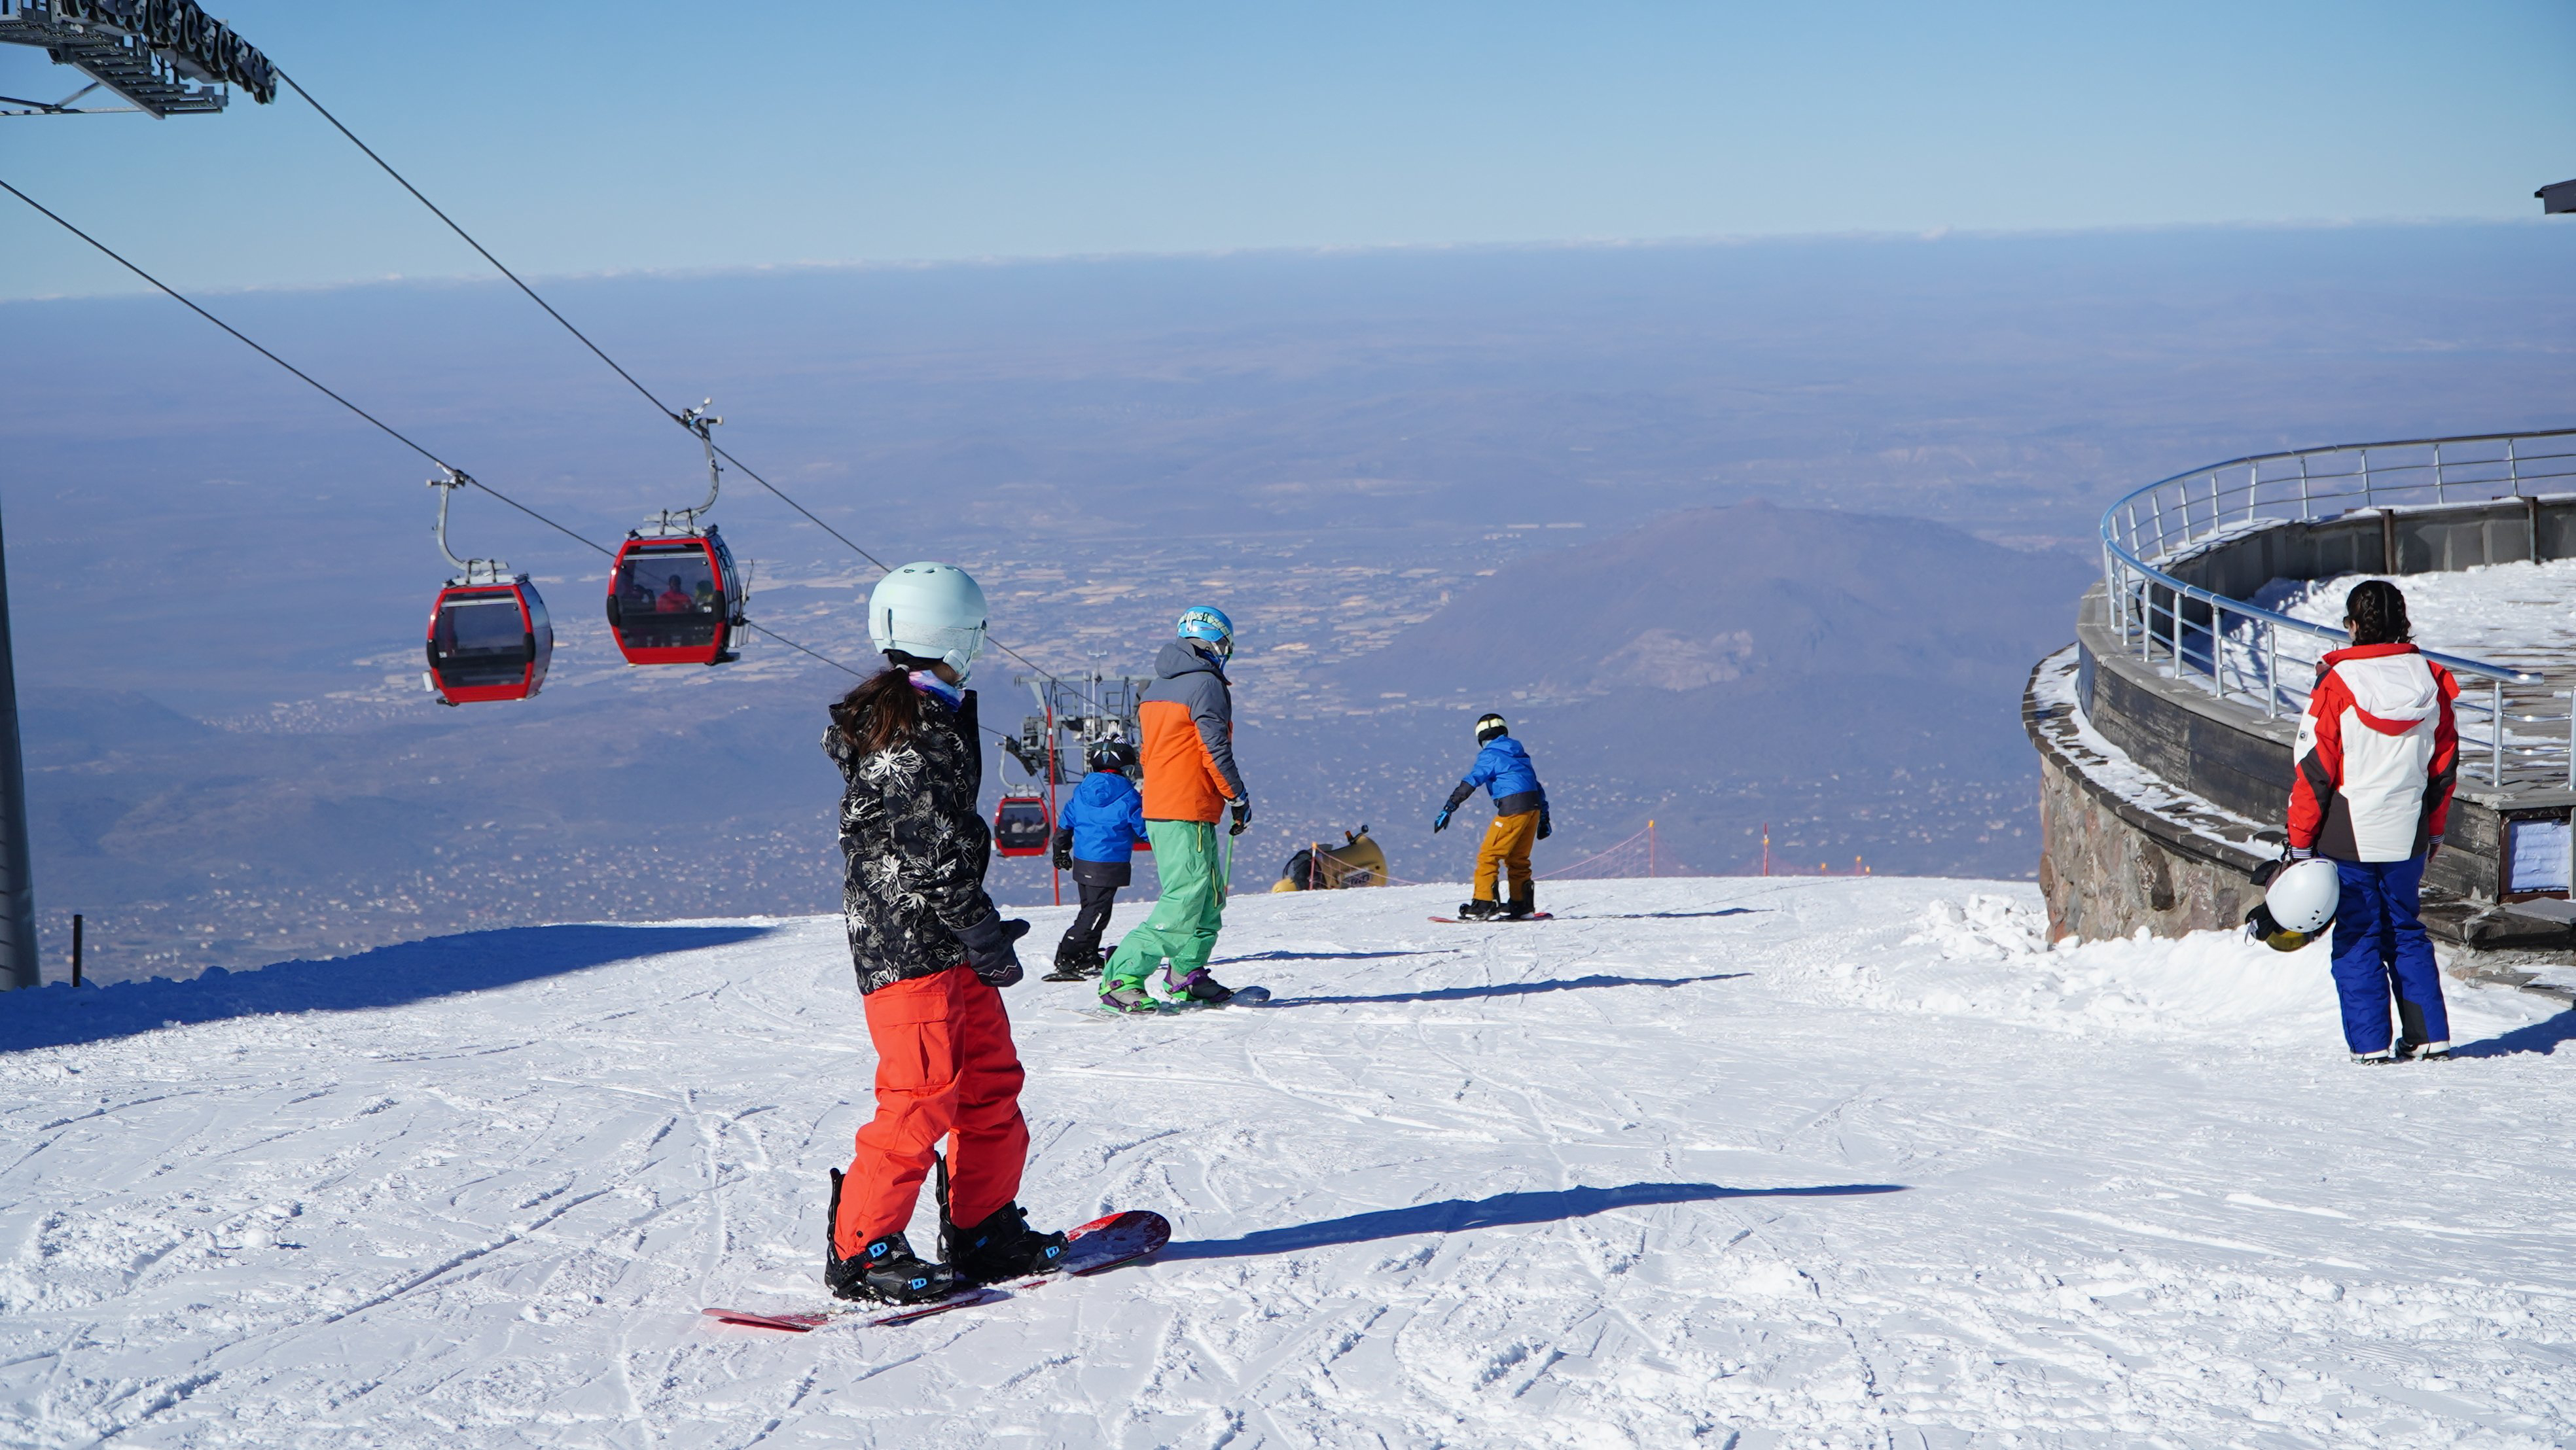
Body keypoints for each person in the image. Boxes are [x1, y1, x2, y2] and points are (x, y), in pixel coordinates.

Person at [818, 561, 1067, 1303]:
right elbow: (933, 854)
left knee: (991, 1080)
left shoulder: (927, 716)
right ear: (957, 636)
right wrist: (980, 928)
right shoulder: (913, 735)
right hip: (906, 946)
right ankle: (862, 1248)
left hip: (946, 938)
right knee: (920, 1092)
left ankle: (981, 1226)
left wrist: (975, 928)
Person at [2285, 579, 2460, 1065]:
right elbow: (2443, 768)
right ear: (2403, 621)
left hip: (2347, 832)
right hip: (2409, 828)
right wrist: (2436, 828)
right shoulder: (2430, 681)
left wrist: (2300, 843)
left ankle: (2370, 1046)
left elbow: (2315, 772)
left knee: (2358, 931)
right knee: (2405, 928)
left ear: (2354, 625)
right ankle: (2429, 1036)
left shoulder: (2337, 685)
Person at [1099, 606, 1251, 1011]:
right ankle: (1123, 975)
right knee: (1186, 897)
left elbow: (1150, 752)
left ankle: (1188, 973)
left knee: (1207, 897)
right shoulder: (1207, 685)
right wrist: (1237, 797)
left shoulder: (1155, 688)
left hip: (1167, 803)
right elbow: (1213, 749)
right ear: (1215, 643)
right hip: (1188, 805)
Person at [1045, 740, 1149, 981]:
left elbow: (1066, 822)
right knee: (1096, 914)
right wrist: (1164, 840)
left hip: (1083, 861)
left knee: (1091, 909)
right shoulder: (1129, 795)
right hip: (1109, 863)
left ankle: (1087, 956)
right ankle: (1067, 957)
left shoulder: (1082, 791)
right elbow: (1142, 829)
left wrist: (1060, 851)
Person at [1434, 713, 1551, 920]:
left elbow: (1472, 780)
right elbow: (1537, 786)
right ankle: (1522, 906)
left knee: (1488, 855)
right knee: (1518, 858)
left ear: (1481, 737)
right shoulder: (1518, 754)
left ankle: (1484, 904)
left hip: (1513, 808)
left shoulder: (1490, 755)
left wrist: (1450, 806)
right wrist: (1544, 818)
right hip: (1533, 808)